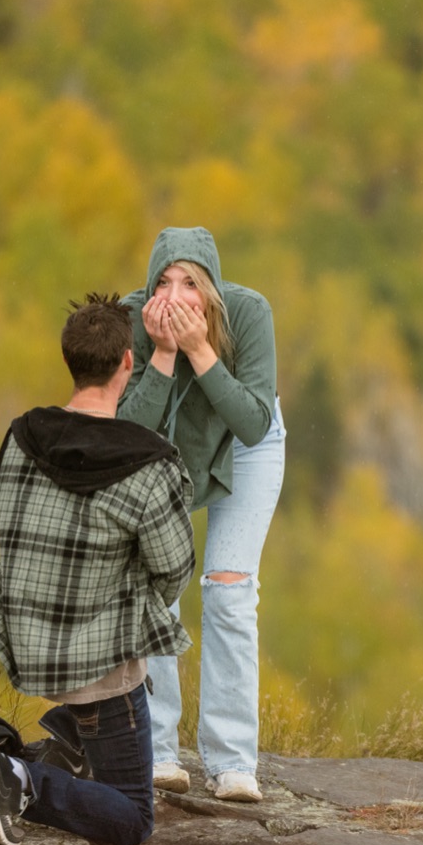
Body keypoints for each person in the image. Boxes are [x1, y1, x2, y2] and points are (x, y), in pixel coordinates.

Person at [0, 293, 196, 845]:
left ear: (71, 360)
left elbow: (8, 522)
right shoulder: (148, 464)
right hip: (100, 668)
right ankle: (16, 776)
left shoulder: (20, 436)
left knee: (100, 759)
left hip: (28, 640)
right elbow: (174, 571)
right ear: (128, 362)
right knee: (132, 819)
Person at [118, 226, 285, 803]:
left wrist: (200, 351)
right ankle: (158, 752)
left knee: (228, 588)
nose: (174, 296)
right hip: (165, 443)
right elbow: (128, 432)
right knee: (155, 585)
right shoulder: (132, 319)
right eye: (162, 282)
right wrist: (164, 352)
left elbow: (253, 422)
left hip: (245, 440)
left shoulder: (248, 312)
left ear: (210, 288)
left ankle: (233, 762)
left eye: (189, 283)